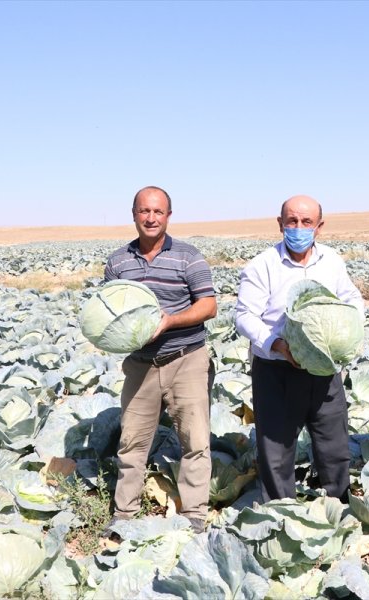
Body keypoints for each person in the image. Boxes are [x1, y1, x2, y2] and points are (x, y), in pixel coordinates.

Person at [103, 186, 217, 536]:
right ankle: (124, 515)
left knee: (195, 439)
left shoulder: (188, 256)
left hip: (187, 358)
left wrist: (169, 320)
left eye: (158, 212)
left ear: (168, 216)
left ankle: (195, 513)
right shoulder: (118, 262)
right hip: (141, 364)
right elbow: (109, 308)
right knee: (132, 441)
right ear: (134, 214)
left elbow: (208, 306)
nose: (151, 218)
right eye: (144, 211)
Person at [235, 195, 363, 501]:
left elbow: (352, 299)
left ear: (319, 226)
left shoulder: (331, 260)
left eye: (307, 222)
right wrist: (278, 344)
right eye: (292, 221)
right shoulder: (263, 265)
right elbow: (244, 315)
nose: (299, 227)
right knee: (276, 451)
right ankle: (281, 514)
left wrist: (349, 332)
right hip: (276, 370)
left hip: (324, 369)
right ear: (280, 224)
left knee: (334, 445)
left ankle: (339, 507)